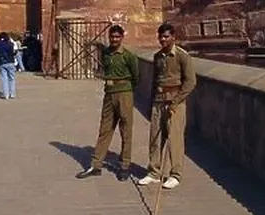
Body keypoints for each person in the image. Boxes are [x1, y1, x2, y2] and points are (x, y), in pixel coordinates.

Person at [137, 22, 197, 190]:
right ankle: (154, 172)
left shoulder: (182, 56)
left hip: (175, 102)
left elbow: (190, 82)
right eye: (160, 37)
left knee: (174, 139)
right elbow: (155, 81)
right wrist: (151, 104)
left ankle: (175, 174)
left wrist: (176, 101)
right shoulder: (157, 57)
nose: (162, 40)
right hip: (158, 100)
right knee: (155, 137)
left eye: (166, 37)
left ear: (173, 37)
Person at [75, 24, 139, 182]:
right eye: (112, 37)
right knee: (105, 129)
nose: (115, 39)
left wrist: (126, 89)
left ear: (122, 38)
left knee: (125, 130)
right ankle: (96, 164)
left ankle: (125, 165)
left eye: (117, 37)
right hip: (109, 94)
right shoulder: (106, 53)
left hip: (124, 93)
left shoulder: (128, 56)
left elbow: (136, 76)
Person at [0, 32, 17, 99]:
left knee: (4, 79)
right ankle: (12, 94)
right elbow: (13, 52)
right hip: (10, 62)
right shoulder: (10, 44)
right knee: (12, 78)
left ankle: (6, 95)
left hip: (1, 63)